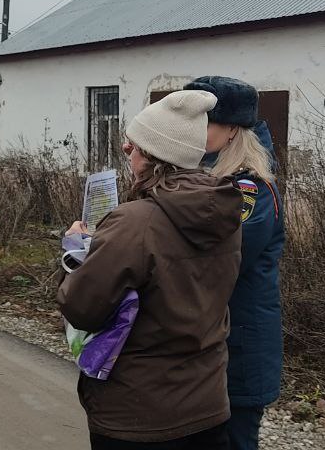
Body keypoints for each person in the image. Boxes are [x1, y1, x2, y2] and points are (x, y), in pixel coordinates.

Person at [58, 89, 244, 450]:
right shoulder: (226, 213)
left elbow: (82, 309)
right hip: (208, 405)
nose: (127, 150)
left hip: (140, 415)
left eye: (134, 145)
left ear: (152, 157)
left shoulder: (134, 222)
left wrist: (75, 255)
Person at [184, 76, 286, 450]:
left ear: (232, 129)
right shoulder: (206, 176)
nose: (195, 131)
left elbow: (223, 258)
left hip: (239, 345)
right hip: (211, 338)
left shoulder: (250, 190)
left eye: (205, 122)